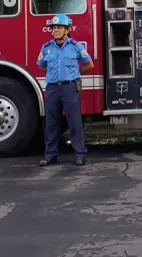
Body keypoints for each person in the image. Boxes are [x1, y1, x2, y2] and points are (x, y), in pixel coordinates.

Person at [38, 13, 94, 167]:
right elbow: (42, 65)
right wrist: (54, 75)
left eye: (59, 27)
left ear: (67, 29)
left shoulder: (76, 46)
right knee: (51, 123)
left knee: (75, 122)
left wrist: (75, 74)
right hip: (53, 88)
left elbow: (89, 64)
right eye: (53, 28)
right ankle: (51, 155)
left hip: (70, 87)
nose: (55, 30)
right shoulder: (47, 47)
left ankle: (80, 154)